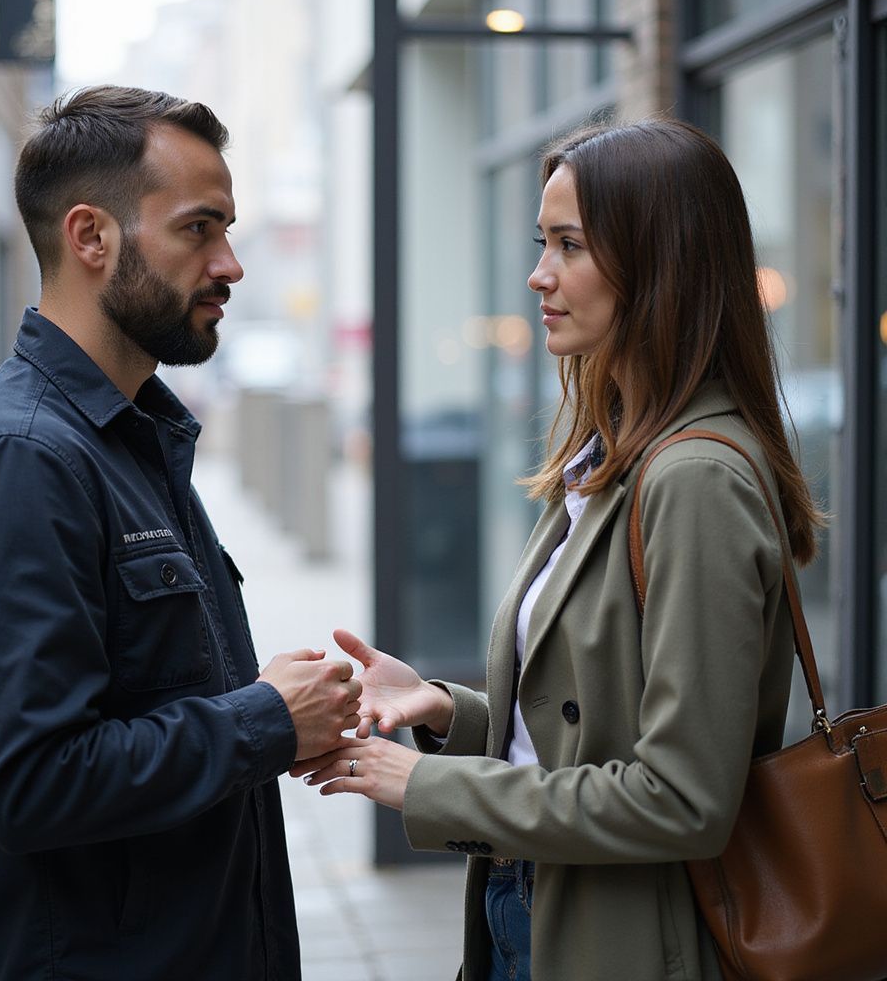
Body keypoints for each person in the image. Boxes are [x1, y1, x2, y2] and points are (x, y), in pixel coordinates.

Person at [292, 118, 822, 981]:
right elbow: (585, 729)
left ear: (662, 264)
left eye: (569, 246)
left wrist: (420, 785)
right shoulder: (612, 455)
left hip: (624, 940)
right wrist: (442, 710)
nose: (539, 275)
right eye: (543, 243)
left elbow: (683, 800)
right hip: (533, 908)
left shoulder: (692, 480)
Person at [0, 85, 362, 981]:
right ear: (91, 238)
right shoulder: (27, 459)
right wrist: (265, 719)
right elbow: (32, 780)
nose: (231, 264)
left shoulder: (130, 436)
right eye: (200, 229)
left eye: (228, 230)